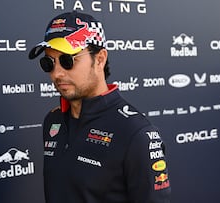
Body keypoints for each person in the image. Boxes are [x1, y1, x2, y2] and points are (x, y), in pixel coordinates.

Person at [29, 11, 171, 203]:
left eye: (67, 60)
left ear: (100, 59)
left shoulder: (135, 133)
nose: (57, 73)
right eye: (49, 63)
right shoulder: (53, 121)